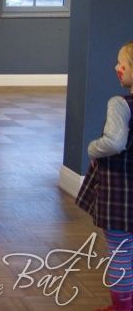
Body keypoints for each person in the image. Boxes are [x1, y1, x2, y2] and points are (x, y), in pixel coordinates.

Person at [76, 41, 133, 311]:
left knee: (120, 251)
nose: (116, 67)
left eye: (122, 64)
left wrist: (92, 148)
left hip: (121, 193)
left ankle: (122, 306)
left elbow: (114, 142)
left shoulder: (120, 104)